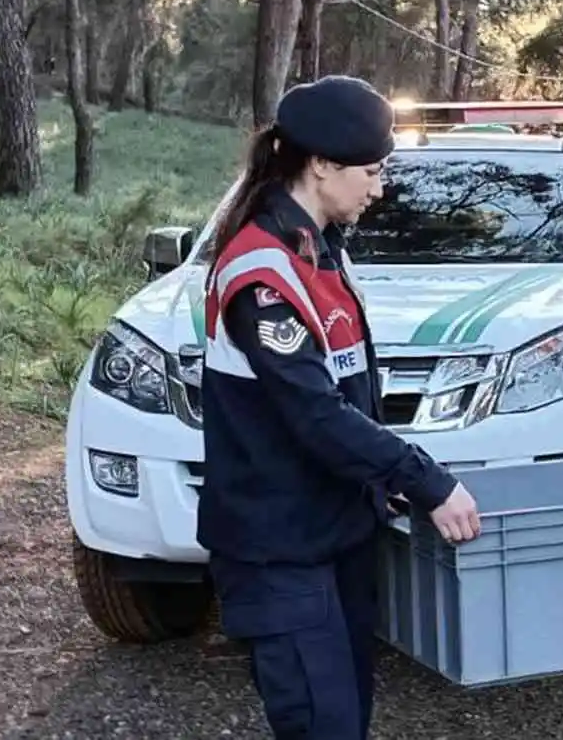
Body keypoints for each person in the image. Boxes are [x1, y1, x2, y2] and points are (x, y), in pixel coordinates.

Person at [196, 74, 481, 740]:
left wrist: (385, 483)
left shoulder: (321, 250)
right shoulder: (261, 273)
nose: (379, 188)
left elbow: (354, 397)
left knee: (345, 721)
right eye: (372, 171)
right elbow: (315, 413)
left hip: (333, 536)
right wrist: (425, 478)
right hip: (281, 550)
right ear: (321, 164)